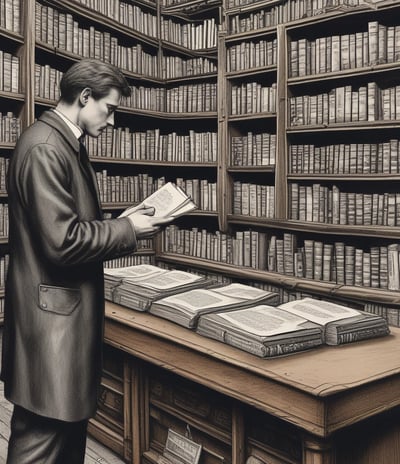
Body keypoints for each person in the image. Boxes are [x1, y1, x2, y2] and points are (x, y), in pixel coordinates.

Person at [1, 58, 172, 463]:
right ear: (84, 97)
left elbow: (69, 227)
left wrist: (123, 224)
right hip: (51, 330)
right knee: (42, 442)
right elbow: (62, 242)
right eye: (109, 109)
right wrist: (129, 229)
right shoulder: (46, 147)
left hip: (58, 323)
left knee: (64, 439)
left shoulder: (62, 142)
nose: (111, 121)